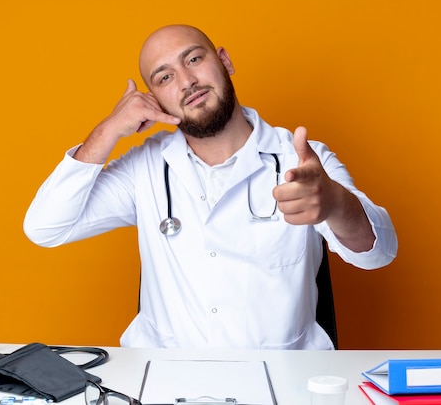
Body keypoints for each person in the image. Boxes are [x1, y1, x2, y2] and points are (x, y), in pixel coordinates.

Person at [24, 24, 397, 350]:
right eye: (164, 77)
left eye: (193, 60)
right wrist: (107, 131)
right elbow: (44, 228)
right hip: (163, 382)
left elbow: (378, 253)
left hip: (282, 384)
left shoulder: (301, 160)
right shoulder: (145, 169)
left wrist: (334, 204)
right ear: (153, 99)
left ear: (225, 62)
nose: (186, 82)